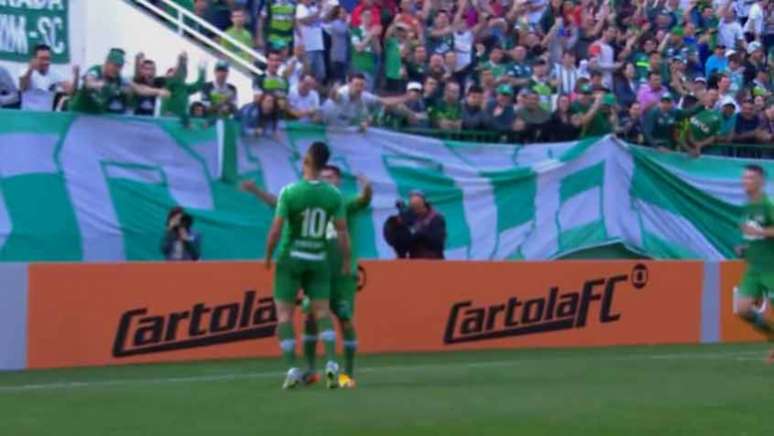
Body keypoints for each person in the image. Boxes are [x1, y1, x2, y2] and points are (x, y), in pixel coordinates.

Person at [242, 165, 372, 388]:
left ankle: (347, 375)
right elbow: (278, 203)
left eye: (331, 177)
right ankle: (312, 371)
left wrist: (367, 188)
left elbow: (363, 200)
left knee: (345, 318)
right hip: (317, 269)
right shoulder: (312, 201)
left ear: (339, 181)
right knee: (311, 319)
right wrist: (257, 191)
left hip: (341, 274)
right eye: (323, 177)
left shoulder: (344, 202)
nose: (327, 180)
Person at [263, 141, 351, 389]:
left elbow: (276, 229)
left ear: (308, 161)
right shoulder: (334, 195)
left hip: (291, 258)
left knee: (284, 315)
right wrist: (345, 261)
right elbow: (343, 234)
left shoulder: (290, 192)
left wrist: (268, 257)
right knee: (323, 313)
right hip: (319, 258)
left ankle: (292, 369)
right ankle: (332, 365)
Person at [735, 164, 774, 365]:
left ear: (760, 181)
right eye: (744, 178)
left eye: (750, 178)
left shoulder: (768, 205)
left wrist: (757, 233)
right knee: (742, 309)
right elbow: (753, 235)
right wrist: (745, 247)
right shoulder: (748, 207)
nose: (745, 182)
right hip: (754, 267)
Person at [69, 48, 169, 115]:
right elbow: (89, 82)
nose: (118, 69)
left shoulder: (118, 79)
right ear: (107, 63)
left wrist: (157, 91)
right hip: (78, 115)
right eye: (116, 66)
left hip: (96, 117)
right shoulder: (95, 70)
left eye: (120, 67)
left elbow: (139, 89)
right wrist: (98, 85)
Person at [383, 190, 446, 259]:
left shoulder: (436, 218)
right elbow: (400, 245)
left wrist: (418, 232)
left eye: (418, 206)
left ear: (424, 204)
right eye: (413, 206)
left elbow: (438, 243)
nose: (416, 210)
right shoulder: (408, 216)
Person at [19, 44, 76, 111]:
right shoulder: (25, 71)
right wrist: (30, 70)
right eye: (42, 58)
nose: (46, 62)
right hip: (28, 116)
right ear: (34, 59)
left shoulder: (55, 74)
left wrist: (76, 75)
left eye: (48, 58)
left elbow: (71, 91)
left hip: (46, 117)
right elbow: (22, 87)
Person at [296, 0, 327, 83]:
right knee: (307, 73)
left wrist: (322, 7)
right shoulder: (300, 8)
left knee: (321, 73)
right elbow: (305, 21)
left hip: (318, 45)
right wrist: (318, 12)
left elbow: (325, 20)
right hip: (307, 47)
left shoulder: (314, 8)